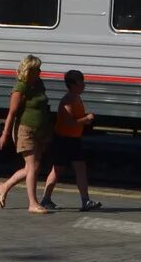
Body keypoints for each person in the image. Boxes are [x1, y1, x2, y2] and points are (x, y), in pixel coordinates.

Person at [0, 54, 55, 214]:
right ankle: (33, 203)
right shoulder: (20, 88)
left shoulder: (39, 84)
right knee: (33, 166)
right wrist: (5, 134)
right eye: (37, 69)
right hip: (25, 130)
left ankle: (4, 186)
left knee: (32, 167)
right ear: (29, 71)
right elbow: (12, 113)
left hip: (39, 130)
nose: (40, 71)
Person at [39, 69, 102, 212]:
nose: (84, 85)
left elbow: (74, 120)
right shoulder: (68, 100)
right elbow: (69, 122)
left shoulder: (76, 97)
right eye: (81, 82)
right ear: (73, 84)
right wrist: (87, 119)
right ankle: (45, 199)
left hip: (73, 139)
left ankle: (85, 200)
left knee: (80, 168)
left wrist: (84, 119)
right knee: (57, 169)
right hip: (63, 139)